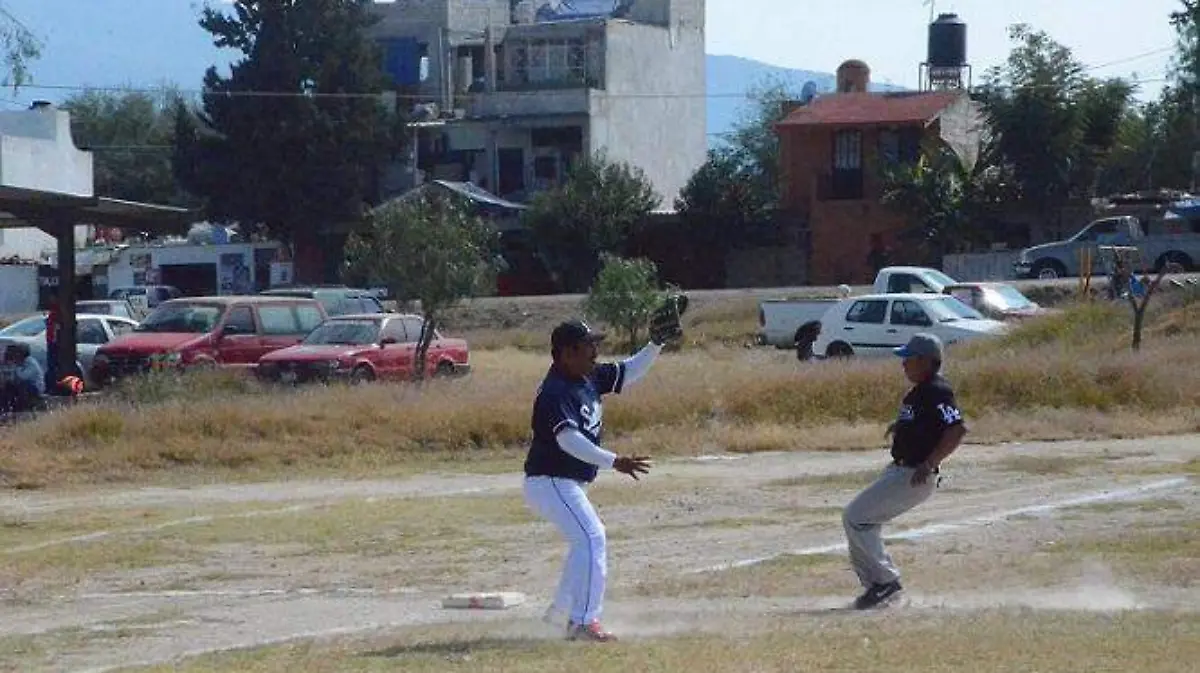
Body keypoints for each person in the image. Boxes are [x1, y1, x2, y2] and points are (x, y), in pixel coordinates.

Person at [522, 297, 685, 642]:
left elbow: (629, 371)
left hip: (565, 482)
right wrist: (614, 461)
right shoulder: (556, 391)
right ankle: (583, 622)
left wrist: (656, 343)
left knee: (584, 541)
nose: (595, 353)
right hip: (550, 480)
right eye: (587, 347)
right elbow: (568, 440)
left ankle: (558, 616)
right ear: (567, 353)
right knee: (593, 537)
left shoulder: (586, 377)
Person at [842, 332, 967, 610]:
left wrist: (930, 462)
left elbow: (957, 429)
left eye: (909, 359)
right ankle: (879, 585)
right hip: (900, 470)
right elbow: (926, 424)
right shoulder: (920, 392)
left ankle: (885, 582)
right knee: (861, 520)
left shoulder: (937, 390)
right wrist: (901, 428)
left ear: (925, 361)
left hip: (914, 474)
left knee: (856, 517)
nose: (904, 364)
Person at [1, 342, 46, 414]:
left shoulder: (30, 362)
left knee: (23, 385)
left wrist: (16, 367)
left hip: (35, 388)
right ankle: (6, 408)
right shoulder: (21, 362)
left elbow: (23, 377)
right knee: (8, 386)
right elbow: (12, 379)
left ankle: (23, 408)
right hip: (26, 387)